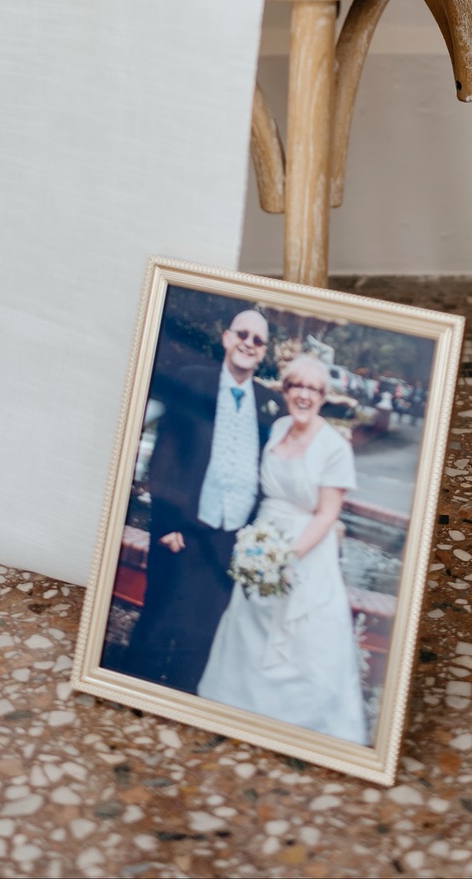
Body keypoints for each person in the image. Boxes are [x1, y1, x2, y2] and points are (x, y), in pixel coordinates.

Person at [198, 353, 367, 744]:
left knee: (301, 642)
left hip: (305, 554)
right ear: (286, 390)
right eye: (297, 386)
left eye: (313, 388)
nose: (304, 395)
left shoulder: (334, 447)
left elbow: (327, 515)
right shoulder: (276, 430)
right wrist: (259, 551)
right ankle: (233, 714)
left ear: (324, 396)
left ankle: (296, 732)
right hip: (261, 545)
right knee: (246, 631)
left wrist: (285, 557)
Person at [125, 309, 280, 695]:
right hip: (184, 528)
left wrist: (255, 538)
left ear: (263, 353)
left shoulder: (268, 404)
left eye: (257, 340)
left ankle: (184, 701)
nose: (248, 343)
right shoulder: (193, 381)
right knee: (159, 618)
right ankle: (131, 695)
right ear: (227, 338)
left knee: (206, 629)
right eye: (242, 334)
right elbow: (164, 457)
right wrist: (166, 524)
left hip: (231, 539)